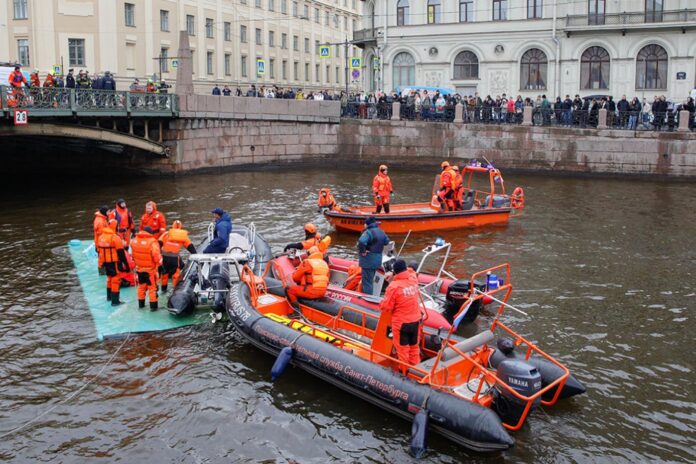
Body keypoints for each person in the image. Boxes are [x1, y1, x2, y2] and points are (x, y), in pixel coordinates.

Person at [379, 259, 423, 365]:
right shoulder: (413, 279)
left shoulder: (393, 287)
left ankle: (404, 372)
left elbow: (386, 307)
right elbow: (411, 272)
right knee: (414, 348)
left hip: (402, 324)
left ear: (395, 272)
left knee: (403, 350)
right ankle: (416, 370)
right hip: (416, 321)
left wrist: (381, 303)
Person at [96, 219, 130, 306]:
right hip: (114, 262)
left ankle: (109, 297)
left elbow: (98, 251)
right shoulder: (115, 238)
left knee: (109, 278)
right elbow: (121, 253)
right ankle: (115, 301)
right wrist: (126, 264)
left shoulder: (101, 237)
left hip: (105, 262)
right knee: (115, 280)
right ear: (115, 227)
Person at [159, 220, 197, 292]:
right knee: (175, 275)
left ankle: (163, 290)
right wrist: (195, 255)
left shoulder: (166, 234)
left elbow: (159, 243)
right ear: (180, 227)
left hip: (164, 258)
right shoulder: (182, 236)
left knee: (164, 274)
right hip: (174, 258)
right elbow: (190, 246)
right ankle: (175, 292)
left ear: (172, 226)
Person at [131, 227, 163, 310]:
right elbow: (156, 256)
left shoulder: (134, 241)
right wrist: (160, 264)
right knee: (152, 289)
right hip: (150, 271)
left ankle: (141, 305)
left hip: (139, 269)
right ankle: (153, 308)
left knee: (141, 288)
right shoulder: (152, 242)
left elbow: (133, 256)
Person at [357, 216, 390, 296]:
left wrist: (363, 251)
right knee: (371, 279)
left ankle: (368, 299)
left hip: (368, 260)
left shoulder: (368, 232)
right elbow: (386, 241)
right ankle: (371, 296)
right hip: (377, 260)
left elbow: (361, 242)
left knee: (367, 281)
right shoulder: (381, 231)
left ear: (367, 224)